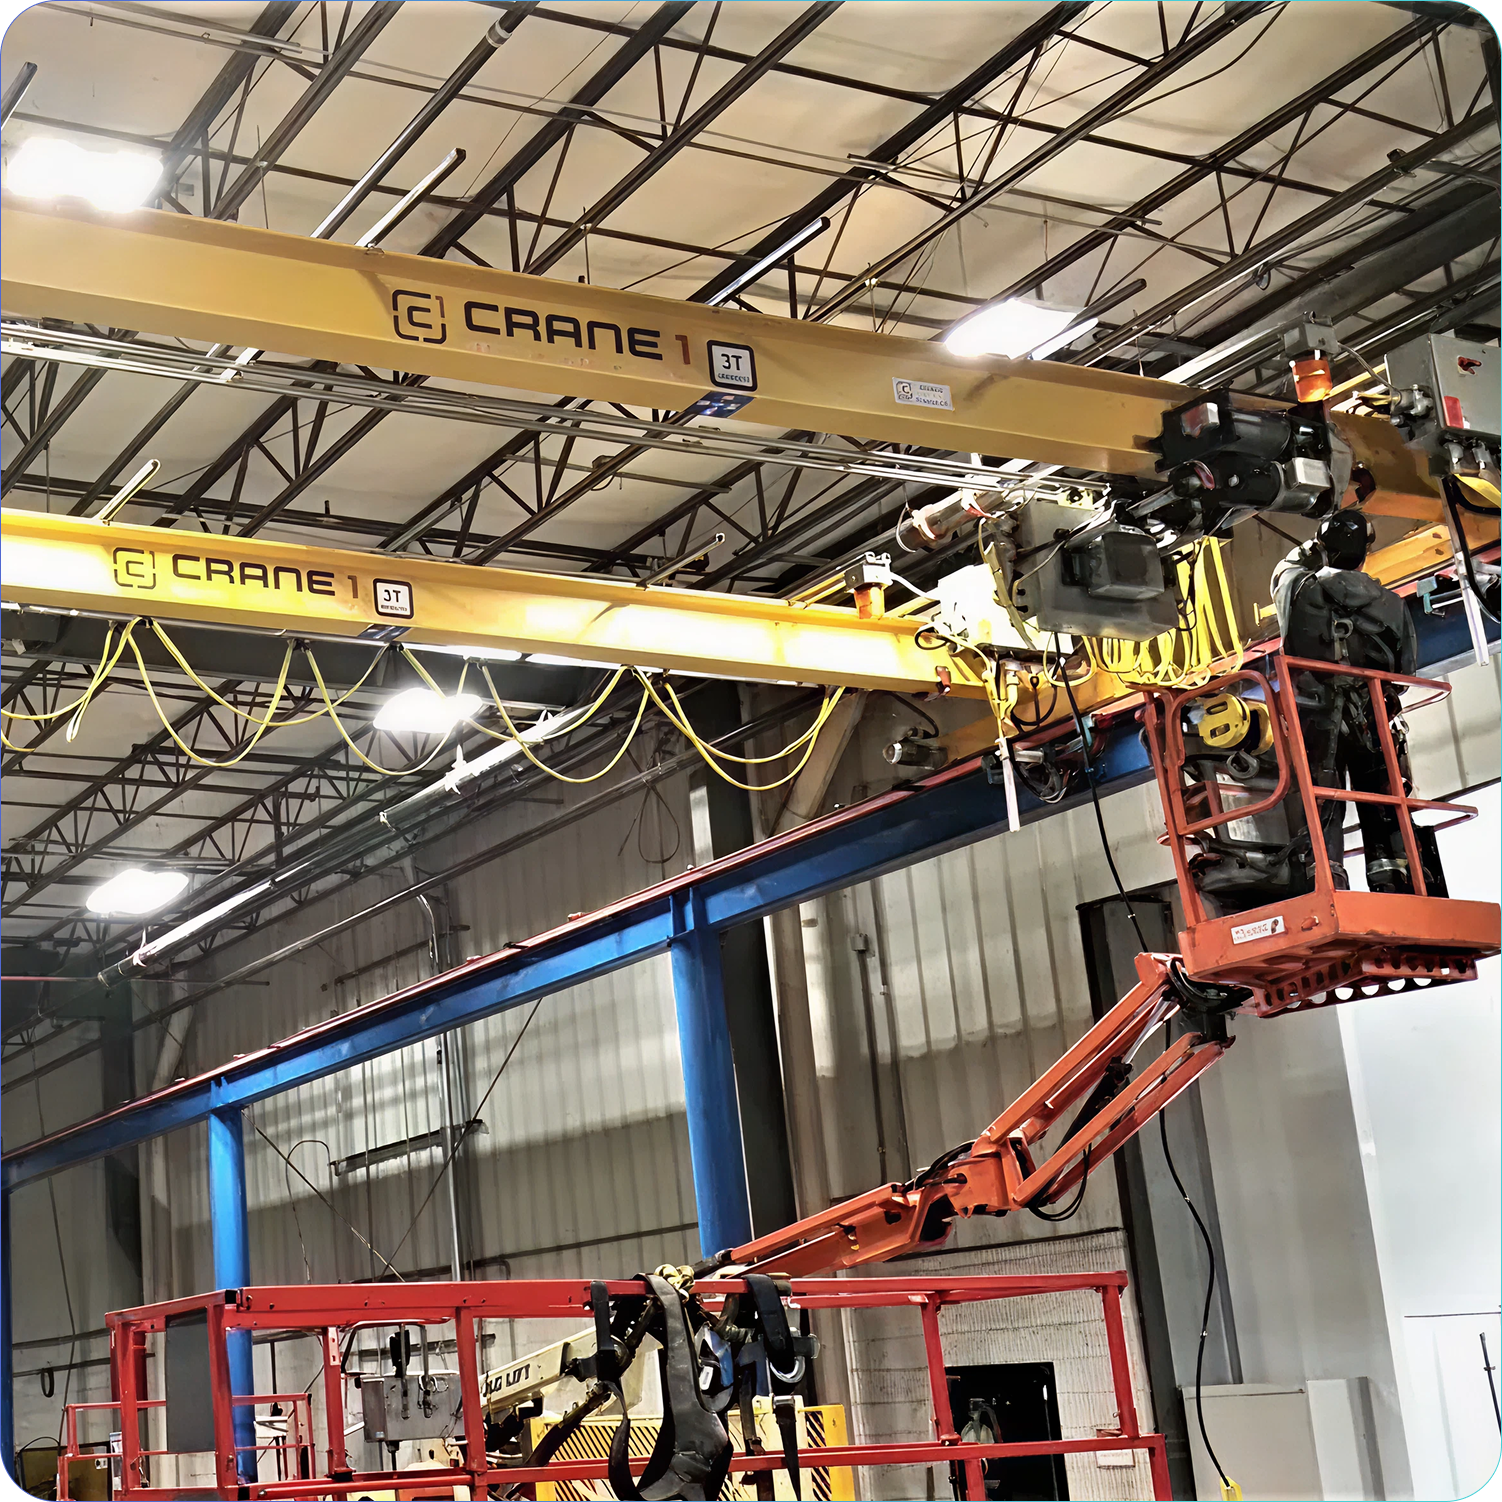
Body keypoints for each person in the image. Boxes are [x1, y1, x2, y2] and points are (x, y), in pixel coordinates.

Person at [1272, 507, 1435, 894]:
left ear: (1323, 548)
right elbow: (1405, 672)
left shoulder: (1298, 589)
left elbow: (1284, 569)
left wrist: (1317, 547)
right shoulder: (1392, 604)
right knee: (1380, 799)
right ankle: (1391, 878)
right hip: (1372, 718)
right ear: (1366, 552)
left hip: (1316, 719)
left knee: (1323, 797)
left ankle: (1327, 879)